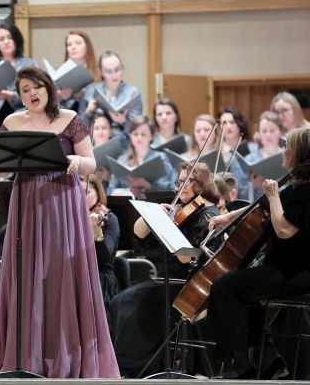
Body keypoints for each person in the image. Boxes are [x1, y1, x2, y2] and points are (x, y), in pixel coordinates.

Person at [0, 66, 119, 378]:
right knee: (27, 272)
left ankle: (64, 355)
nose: (32, 93)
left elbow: (91, 163)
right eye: (25, 89)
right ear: (19, 96)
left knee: (60, 273)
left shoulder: (70, 118)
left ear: (48, 89)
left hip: (62, 201)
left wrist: (76, 160)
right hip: (27, 199)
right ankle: (26, 356)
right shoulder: (11, 123)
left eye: (37, 87)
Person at [207, 127, 310, 379]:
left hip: (296, 272)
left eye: (288, 147)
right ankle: (269, 359)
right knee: (243, 291)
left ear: (300, 153)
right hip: (281, 267)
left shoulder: (307, 191)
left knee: (225, 285)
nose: (283, 151)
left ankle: (241, 364)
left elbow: (284, 230)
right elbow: (259, 207)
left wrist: (274, 197)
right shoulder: (295, 184)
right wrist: (227, 217)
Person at [109, 162, 220, 377]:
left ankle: (131, 367)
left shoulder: (208, 214)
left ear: (202, 183)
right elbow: (138, 233)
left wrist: (167, 226)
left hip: (188, 285)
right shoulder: (178, 209)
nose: (182, 186)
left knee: (126, 302)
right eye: (179, 182)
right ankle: (133, 365)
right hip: (165, 279)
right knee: (118, 301)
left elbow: (188, 258)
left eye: (189, 181)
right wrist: (153, 216)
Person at [0, 23, 37, 131]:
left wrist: (11, 96)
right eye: (1, 39)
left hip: (21, 114)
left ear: (16, 39)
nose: (6, 42)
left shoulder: (29, 64)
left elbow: (35, 95)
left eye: (9, 37)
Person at [108, 115, 176, 198]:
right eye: (135, 134)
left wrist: (147, 185)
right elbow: (111, 189)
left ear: (151, 136)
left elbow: (170, 188)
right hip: (127, 202)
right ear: (130, 136)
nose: (139, 137)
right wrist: (127, 191)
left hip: (154, 203)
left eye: (143, 134)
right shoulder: (122, 159)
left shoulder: (161, 158)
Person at [81, 174, 120, 309]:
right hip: (75, 277)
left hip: (100, 282)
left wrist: (96, 230)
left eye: (87, 192)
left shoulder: (109, 218)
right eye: (77, 192)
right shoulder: (70, 218)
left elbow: (104, 257)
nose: (81, 196)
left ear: (98, 194)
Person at [89, 50, 143, 140]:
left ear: (122, 67)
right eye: (108, 71)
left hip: (124, 142)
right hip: (98, 143)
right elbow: (80, 129)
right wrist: (88, 113)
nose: (114, 75)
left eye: (117, 70)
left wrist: (123, 121)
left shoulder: (133, 94)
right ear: (101, 72)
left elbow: (137, 131)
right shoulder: (93, 91)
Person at [244, 111, 285, 200]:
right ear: (258, 134)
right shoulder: (250, 159)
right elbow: (242, 194)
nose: (268, 135)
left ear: (280, 132)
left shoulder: (287, 157)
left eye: (272, 130)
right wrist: (253, 186)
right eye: (264, 131)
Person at [59, 30, 98, 122]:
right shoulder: (60, 74)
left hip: (90, 124)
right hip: (66, 123)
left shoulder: (97, 73)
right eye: (69, 44)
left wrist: (82, 97)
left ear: (87, 47)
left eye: (78, 43)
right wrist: (60, 98)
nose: (73, 47)